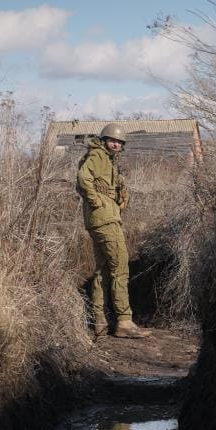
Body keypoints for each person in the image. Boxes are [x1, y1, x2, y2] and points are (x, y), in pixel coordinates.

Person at [76, 122, 151, 338]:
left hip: (100, 219)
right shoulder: (99, 156)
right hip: (105, 219)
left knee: (103, 270)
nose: (117, 144)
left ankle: (99, 321)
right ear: (104, 140)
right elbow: (83, 178)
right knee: (120, 268)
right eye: (113, 140)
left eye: (120, 142)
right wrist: (97, 201)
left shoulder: (106, 159)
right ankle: (124, 321)